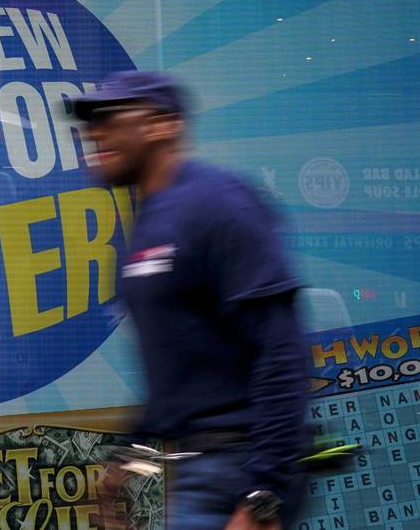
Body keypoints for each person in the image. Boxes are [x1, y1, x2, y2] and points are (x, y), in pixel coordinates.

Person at [73, 71, 309, 530]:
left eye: (110, 117)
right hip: (199, 467)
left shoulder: (219, 203)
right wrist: (128, 458)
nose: (94, 132)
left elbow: (281, 351)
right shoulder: (151, 219)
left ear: (164, 125)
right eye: (89, 122)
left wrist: (264, 494)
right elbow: (182, 371)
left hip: (241, 469)